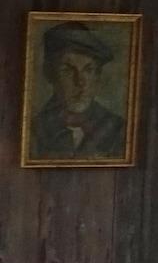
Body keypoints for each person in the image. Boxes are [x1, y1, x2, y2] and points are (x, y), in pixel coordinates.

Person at [28, 21, 128, 160]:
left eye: (88, 70)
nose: (80, 82)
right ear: (50, 73)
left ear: (97, 77)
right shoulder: (34, 130)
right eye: (68, 70)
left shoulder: (118, 129)